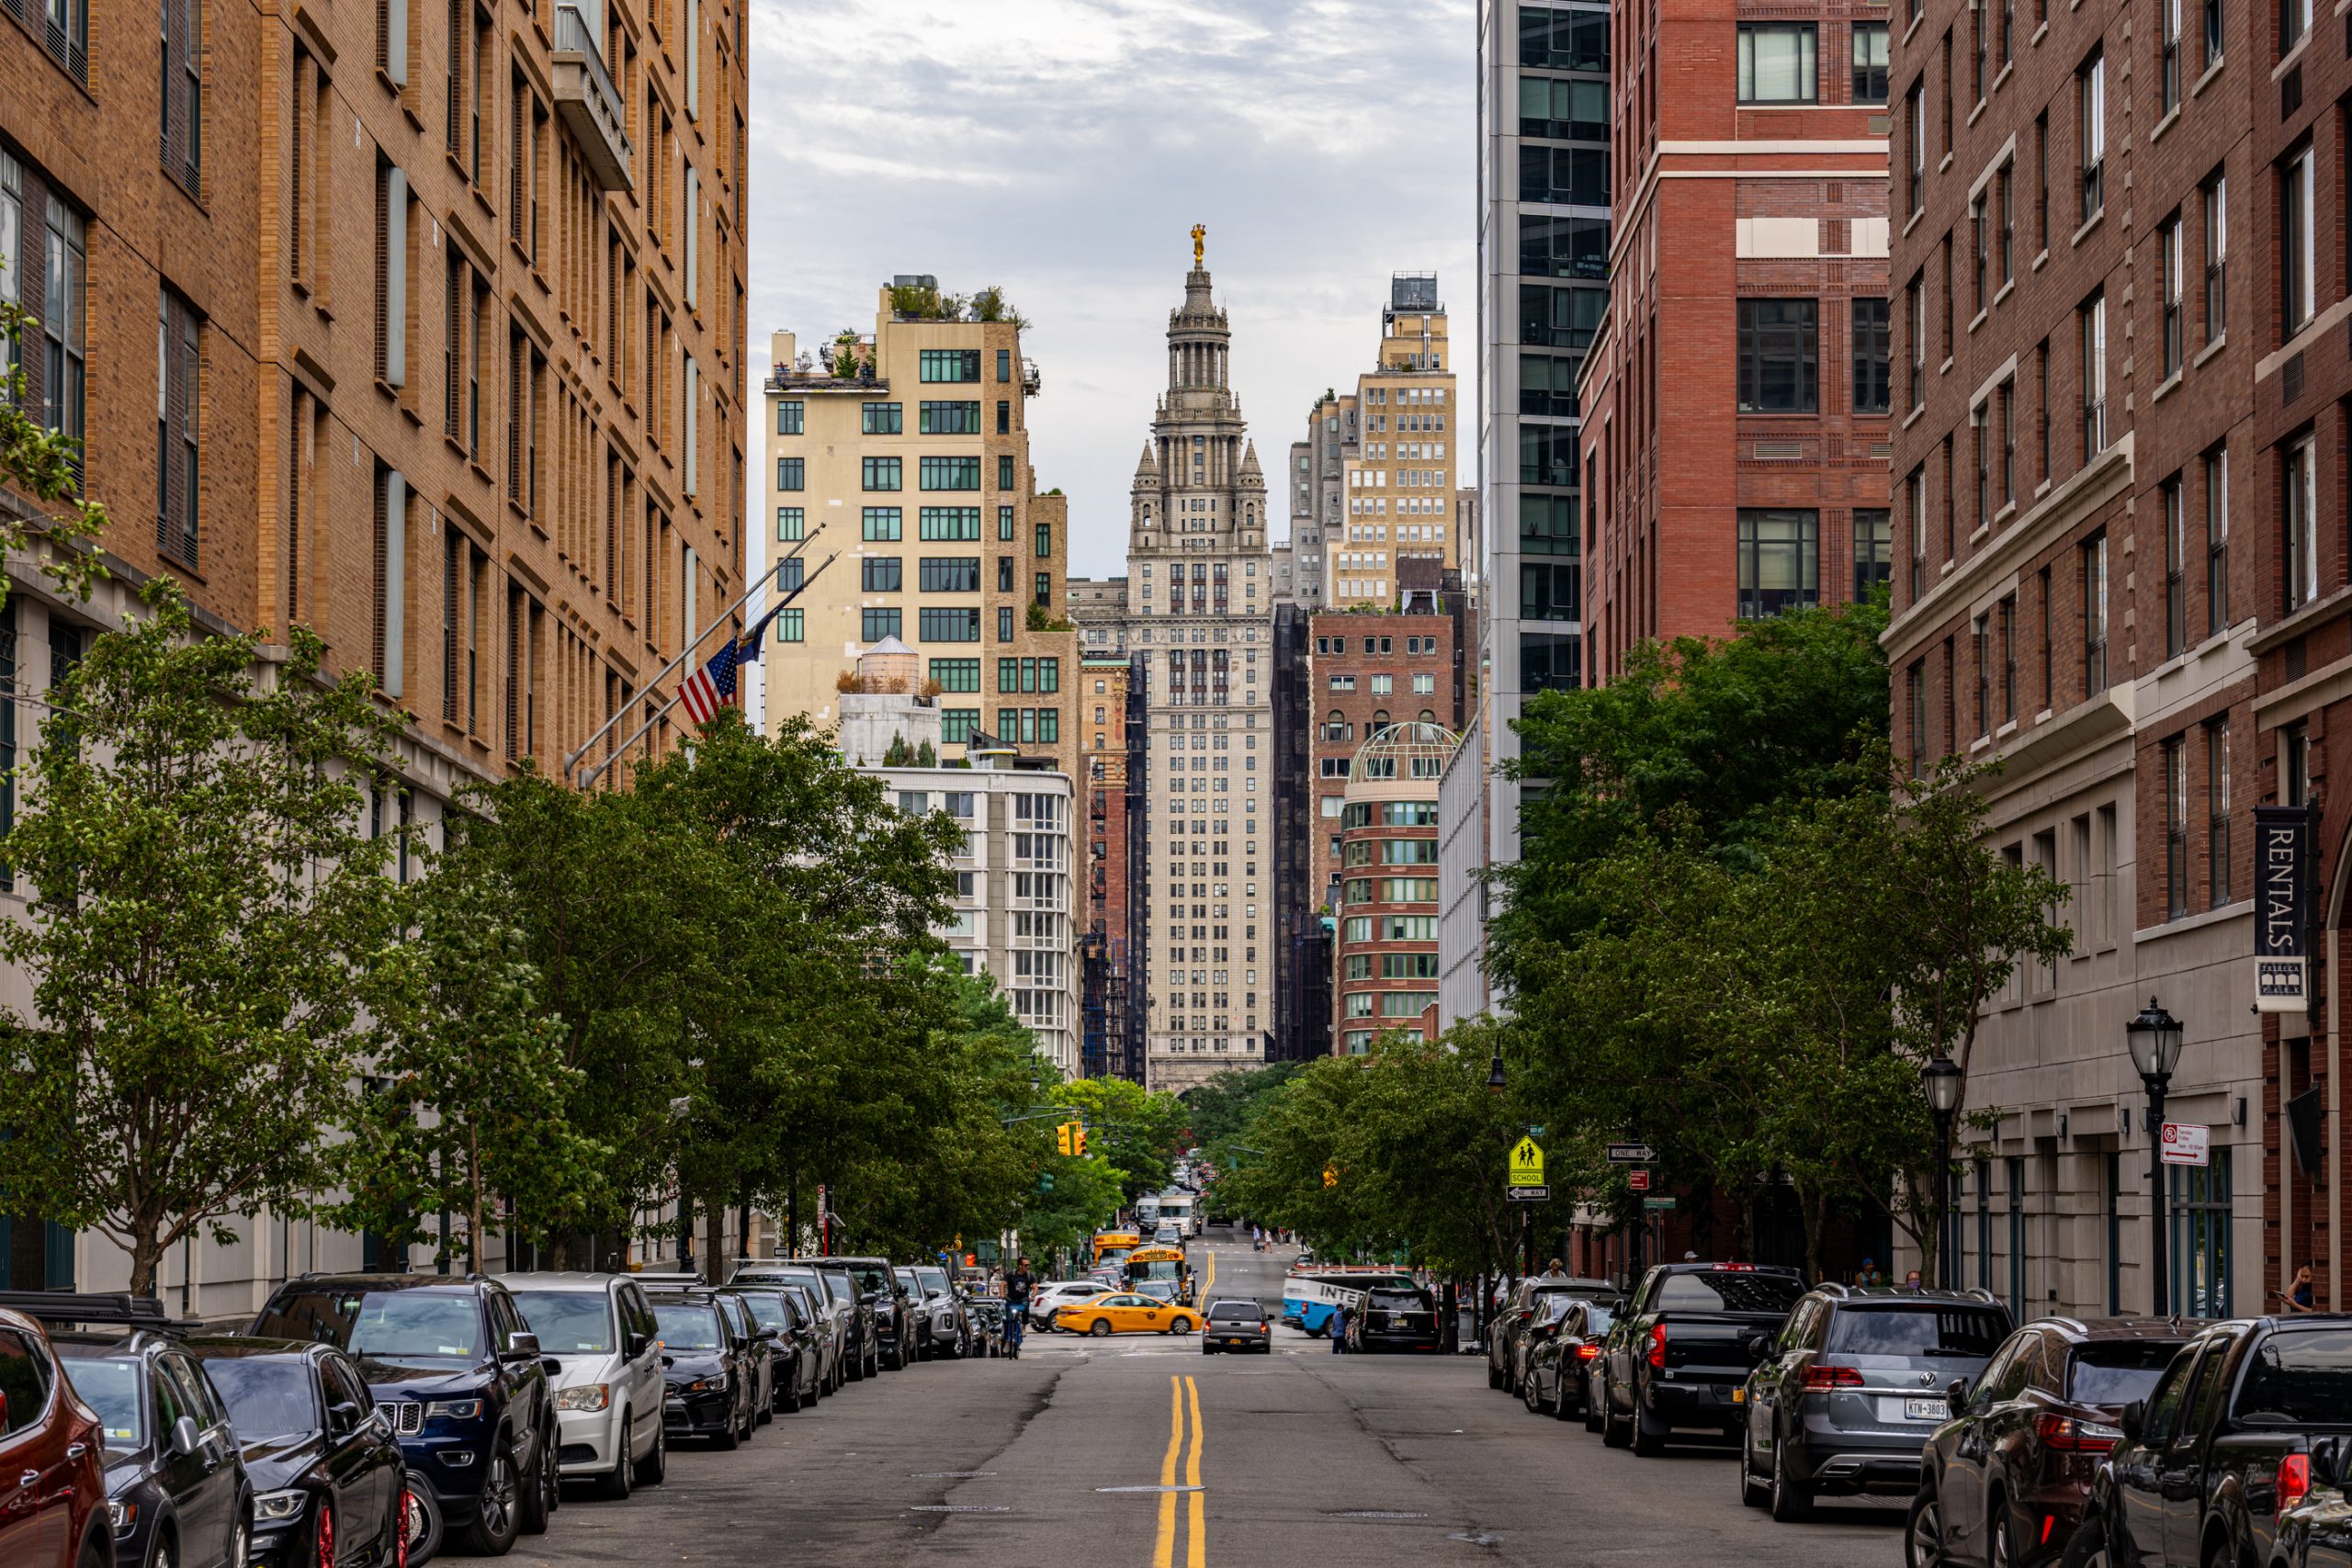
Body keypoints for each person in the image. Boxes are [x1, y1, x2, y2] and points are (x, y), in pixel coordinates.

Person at [1002, 1258, 1035, 1357]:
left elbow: (1035, 1287)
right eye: (1026, 1265)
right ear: (1020, 1266)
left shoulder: (1030, 1276)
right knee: (1008, 1320)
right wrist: (1001, 1294)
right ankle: (1008, 1341)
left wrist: (1032, 1296)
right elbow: (1003, 1285)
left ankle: (1024, 1327)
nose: (1028, 1267)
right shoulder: (1011, 1274)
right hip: (1011, 1300)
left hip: (1023, 1299)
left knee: (1025, 1307)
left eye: (1028, 1265)